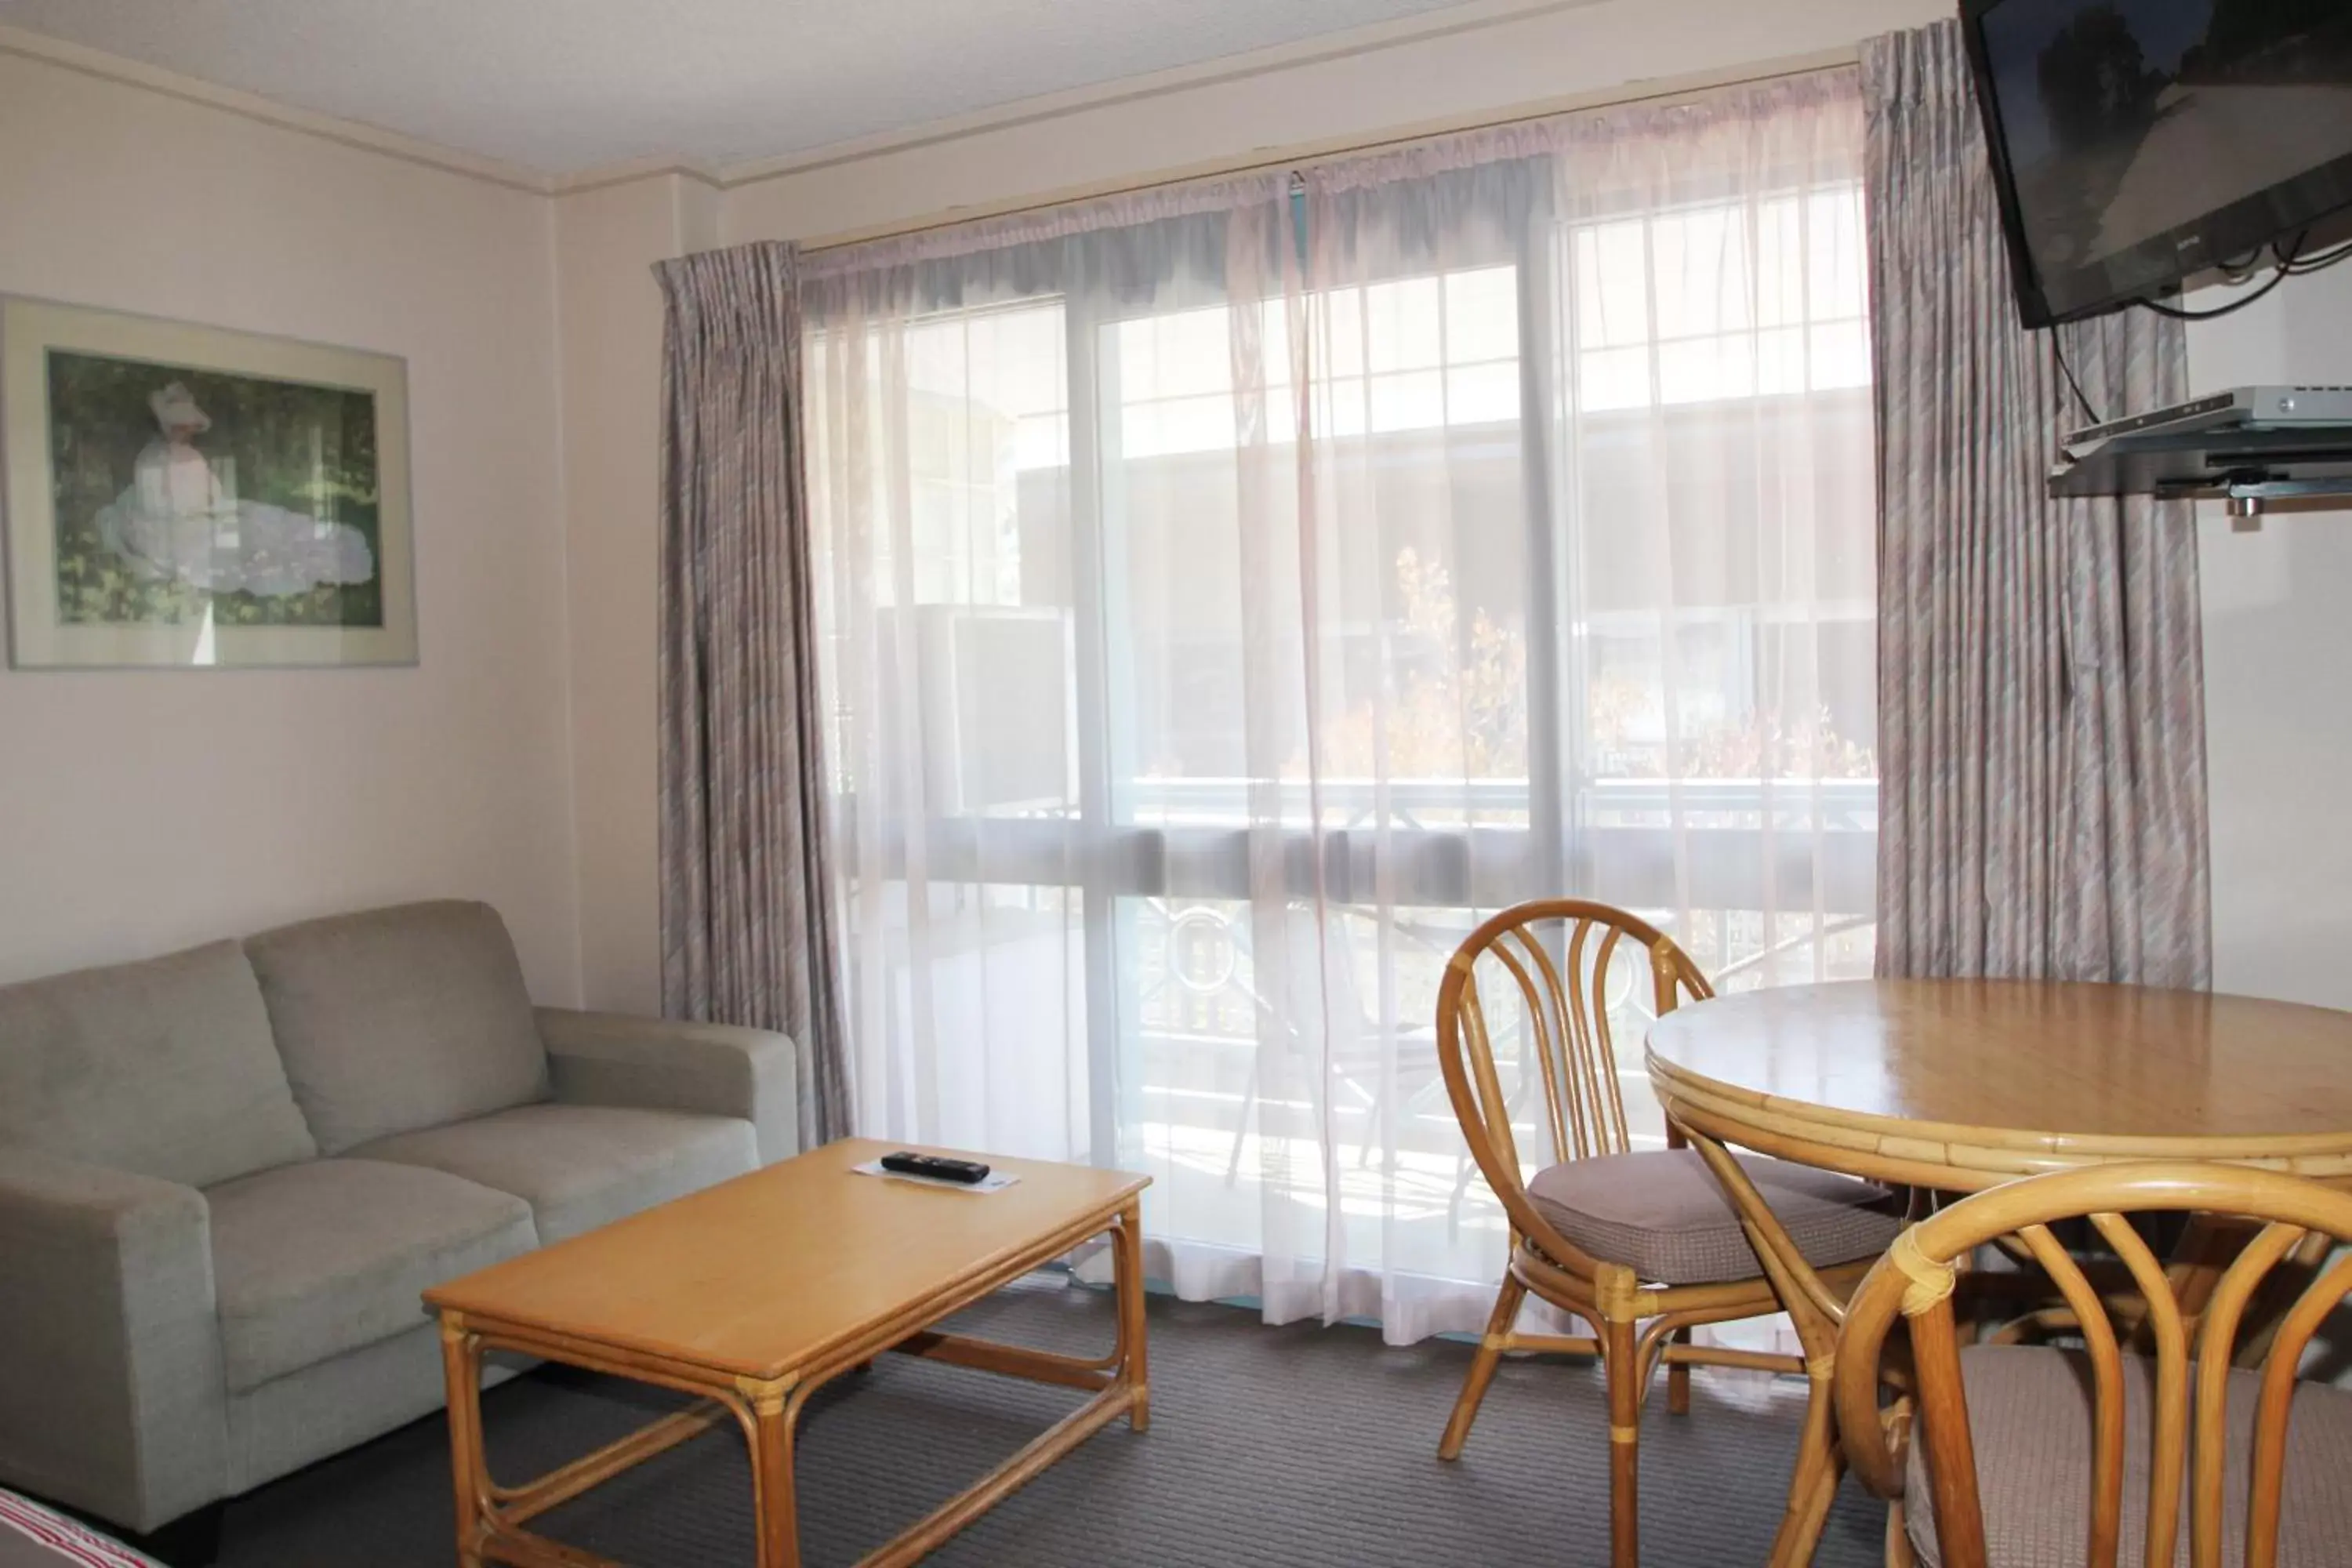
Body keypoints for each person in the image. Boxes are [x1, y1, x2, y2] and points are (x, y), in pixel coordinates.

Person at [94, 382, 374, 597]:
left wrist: (210, 506)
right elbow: (163, 505)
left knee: (263, 523)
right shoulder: (153, 459)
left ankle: (319, 548)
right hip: (173, 530)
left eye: (186, 426)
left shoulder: (187, 458)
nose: (185, 431)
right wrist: (201, 509)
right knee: (248, 542)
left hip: (191, 520)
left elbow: (212, 496)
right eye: (180, 426)